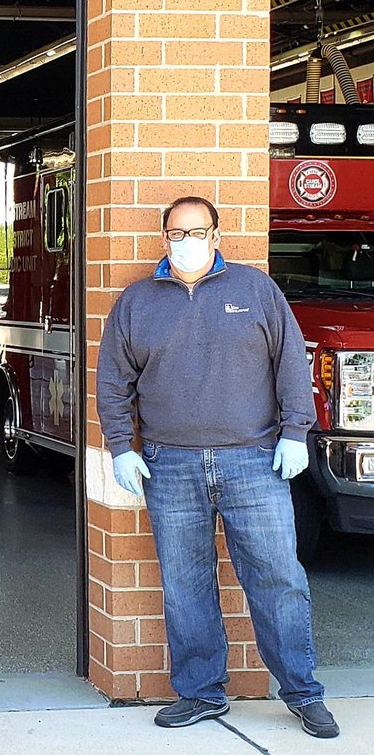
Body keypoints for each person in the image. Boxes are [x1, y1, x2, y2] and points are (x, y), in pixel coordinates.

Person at [97, 196, 339, 739]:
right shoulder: (136, 303)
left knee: (280, 578)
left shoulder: (256, 291)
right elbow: (113, 382)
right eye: (176, 233)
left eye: (197, 231)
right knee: (186, 584)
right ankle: (202, 692)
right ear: (164, 238)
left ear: (216, 233)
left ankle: (303, 692)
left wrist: (296, 433)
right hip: (169, 465)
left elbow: (292, 363)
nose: (186, 241)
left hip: (254, 462)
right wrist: (121, 446)